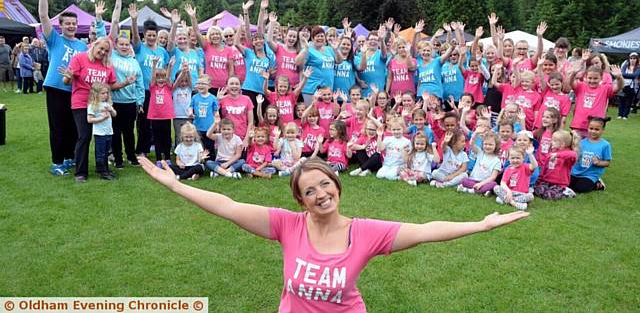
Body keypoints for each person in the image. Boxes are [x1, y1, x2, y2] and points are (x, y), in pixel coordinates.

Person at [138, 155, 529, 312]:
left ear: (337, 186)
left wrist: (481, 225)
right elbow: (227, 206)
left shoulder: (365, 233)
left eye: (325, 185)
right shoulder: (287, 225)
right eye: (309, 191)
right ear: (301, 200)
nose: (320, 194)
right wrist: (175, 185)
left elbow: (426, 230)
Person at [39, 0, 88, 175]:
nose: (71, 26)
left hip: (75, 90)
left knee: (72, 127)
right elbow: (43, 15)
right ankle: (57, 163)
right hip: (56, 88)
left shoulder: (82, 46)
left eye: (74, 23)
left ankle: (69, 157)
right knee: (58, 127)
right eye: (67, 23)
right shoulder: (54, 40)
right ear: (60, 25)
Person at [60, 37, 118, 182]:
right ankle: (81, 172)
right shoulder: (79, 58)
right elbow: (67, 81)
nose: (103, 52)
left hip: (100, 104)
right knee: (84, 136)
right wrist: (68, 77)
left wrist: (108, 102)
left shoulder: (108, 64)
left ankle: (103, 168)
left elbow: (110, 85)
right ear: (94, 45)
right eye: (101, 48)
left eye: (106, 50)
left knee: (104, 137)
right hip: (81, 102)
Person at [129, 4, 170, 158]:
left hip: (158, 92)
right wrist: (134, 20)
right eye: (149, 35)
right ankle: (142, 150)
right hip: (144, 91)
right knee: (143, 122)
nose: (152, 38)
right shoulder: (140, 48)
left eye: (154, 35)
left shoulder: (162, 52)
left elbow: (165, 70)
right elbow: (135, 38)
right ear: (144, 35)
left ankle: (161, 148)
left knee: (160, 122)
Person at [111, 34, 145, 169]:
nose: (124, 47)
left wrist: (140, 101)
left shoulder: (134, 61)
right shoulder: (111, 57)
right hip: (114, 101)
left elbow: (139, 83)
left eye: (127, 44)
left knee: (129, 132)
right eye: (121, 44)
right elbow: (104, 37)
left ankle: (131, 156)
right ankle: (118, 159)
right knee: (115, 132)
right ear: (116, 45)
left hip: (130, 102)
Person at [148, 56, 179, 165]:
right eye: (158, 78)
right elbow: (152, 77)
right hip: (155, 116)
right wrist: (154, 65)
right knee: (157, 138)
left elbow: (168, 77)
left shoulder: (168, 87)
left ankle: (167, 157)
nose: (161, 80)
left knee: (166, 137)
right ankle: (158, 158)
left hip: (166, 116)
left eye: (163, 77)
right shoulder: (153, 87)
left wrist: (170, 66)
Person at [533, 130, 579, 200]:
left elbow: (573, 155)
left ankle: (566, 192)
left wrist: (557, 155)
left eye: (554, 141)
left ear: (562, 144)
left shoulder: (567, 155)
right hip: (547, 182)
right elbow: (544, 168)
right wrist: (539, 181)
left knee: (548, 195)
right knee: (537, 191)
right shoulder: (551, 153)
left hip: (559, 184)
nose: (551, 142)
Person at [570, 117, 611, 193]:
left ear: (603, 130)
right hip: (576, 172)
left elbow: (607, 162)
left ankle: (597, 184)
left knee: (581, 189)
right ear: (587, 128)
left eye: (597, 129)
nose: (593, 131)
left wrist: (598, 163)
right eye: (591, 128)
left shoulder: (605, 145)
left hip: (590, 175)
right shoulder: (581, 142)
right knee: (567, 185)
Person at [86, 83, 117, 180]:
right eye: (102, 93)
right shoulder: (93, 105)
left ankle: (106, 169)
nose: (105, 95)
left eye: (106, 93)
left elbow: (115, 114)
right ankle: (103, 171)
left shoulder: (107, 104)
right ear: (96, 94)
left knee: (106, 151)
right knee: (101, 153)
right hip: (99, 133)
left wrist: (111, 110)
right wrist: (102, 118)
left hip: (108, 132)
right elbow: (89, 120)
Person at [493, 146, 538, 211]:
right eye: (512, 158)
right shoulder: (508, 169)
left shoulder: (525, 167)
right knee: (496, 187)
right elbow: (503, 183)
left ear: (523, 158)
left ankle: (505, 200)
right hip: (510, 192)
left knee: (531, 196)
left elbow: (535, 165)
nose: (515, 160)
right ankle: (515, 203)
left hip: (521, 194)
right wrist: (508, 191)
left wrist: (530, 154)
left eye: (518, 158)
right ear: (508, 159)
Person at [458, 131, 501, 195]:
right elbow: (471, 144)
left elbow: (493, 177)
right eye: (485, 144)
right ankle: (481, 191)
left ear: (496, 146)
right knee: (464, 180)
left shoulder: (497, 161)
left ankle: (469, 190)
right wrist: (475, 134)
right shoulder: (480, 153)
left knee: (494, 184)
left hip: (485, 182)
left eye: (490, 144)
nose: (487, 146)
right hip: (473, 179)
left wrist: (481, 184)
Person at [190, 75, 219, 160]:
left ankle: (211, 163)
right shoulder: (195, 97)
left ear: (209, 86)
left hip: (209, 127)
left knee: (209, 146)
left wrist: (216, 124)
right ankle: (197, 162)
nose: (200, 85)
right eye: (198, 83)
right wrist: (190, 113)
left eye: (203, 83)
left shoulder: (213, 98)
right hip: (197, 126)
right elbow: (190, 107)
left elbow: (215, 111)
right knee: (198, 145)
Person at [619, 52, 640, 119]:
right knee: (621, 100)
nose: (632, 60)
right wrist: (628, 76)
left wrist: (625, 75)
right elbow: (621, 73)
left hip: (632, 87)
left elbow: (635, 75)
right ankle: (620, 114)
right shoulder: (625, 65)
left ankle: (625, 115)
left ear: (637, 59)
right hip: (623, 85)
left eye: (634, 58)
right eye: (631, 58)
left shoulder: (638, 67)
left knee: (628, 101)